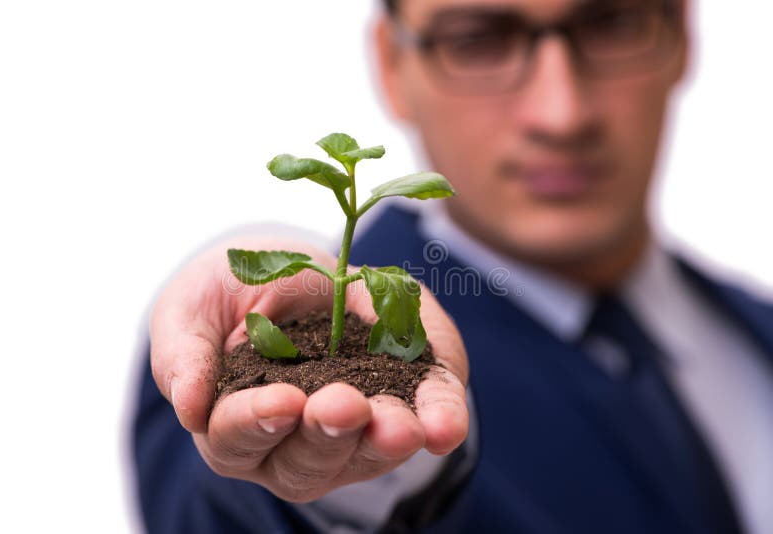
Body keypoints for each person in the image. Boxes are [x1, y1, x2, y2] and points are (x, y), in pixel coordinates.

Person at [131, 0, 773, 533]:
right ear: (392, 65)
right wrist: (355, 465)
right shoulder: (381, 335)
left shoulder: (753, 332)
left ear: (682, 33)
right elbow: (216, 505)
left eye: (610, 23)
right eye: (476, 40)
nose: (562, 114)